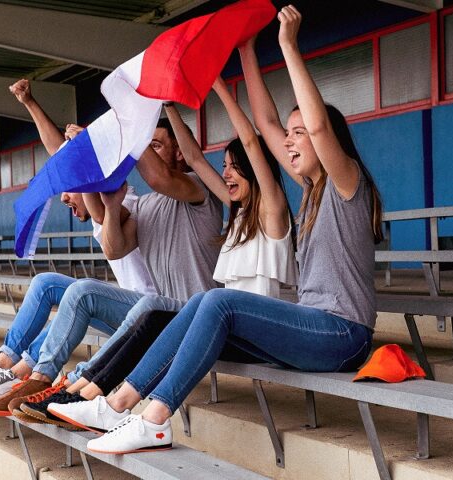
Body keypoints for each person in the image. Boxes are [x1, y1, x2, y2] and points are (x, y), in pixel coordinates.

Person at [74, 5, 383, 454]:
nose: (292, 140)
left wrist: (288, 47)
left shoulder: (346, 182)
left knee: (216, 302)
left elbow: (314, 124)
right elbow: (266, 125)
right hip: (314, 329)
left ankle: (155, 419)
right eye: (291, 135)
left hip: (342, 335)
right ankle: (118, 402)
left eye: (301, 135)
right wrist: (245, 52)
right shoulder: (311, 188)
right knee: (200, 303)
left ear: (324, 141)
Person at [42, 75, 299, 431]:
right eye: (222, 166)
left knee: (154, 308)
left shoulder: (254, 207)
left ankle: (93, 394)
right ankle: (85, 394)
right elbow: (114, 244)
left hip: (241, 325)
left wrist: (125, 130)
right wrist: (165, 106)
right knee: (149, 312)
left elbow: (244, 147)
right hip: (216, 323)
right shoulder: (234, 214)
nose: (224, 174)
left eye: (233, 167)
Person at [0, 83, 224, 417]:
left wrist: (113, 139)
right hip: (155, 315)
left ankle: (71, 384)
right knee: (75, 291)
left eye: (155, 144)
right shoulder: (144, 207)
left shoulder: (198, 190)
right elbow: (115, 248)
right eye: (146, 143)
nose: (147, 150)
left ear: (179, 151)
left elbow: (159, 177)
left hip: (192, 314)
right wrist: (110, 205)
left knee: (113, 298)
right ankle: (37, 378)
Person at [0, 79, 156, 400]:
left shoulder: (121, 203)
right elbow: (59, 154)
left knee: (80, 295)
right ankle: (4, 366)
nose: (63, 199)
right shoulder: (97, 205)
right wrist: (29, 102)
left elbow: (85, 171)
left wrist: (89, 150)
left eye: (68, 190)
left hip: (149, 317)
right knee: (45, 283)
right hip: (122, 310)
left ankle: (23, 375)